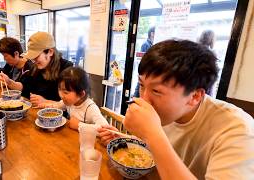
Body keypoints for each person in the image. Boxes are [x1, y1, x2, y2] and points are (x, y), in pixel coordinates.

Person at [98, 40, 254, 179]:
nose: (144, 99)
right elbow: (147, 157)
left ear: (194, 96)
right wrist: (123, 144)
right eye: (141, 85)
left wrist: (153, 134)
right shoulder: (164, 112)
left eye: (157, 91)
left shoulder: (238, 131)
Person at [0, 32, 73, 105]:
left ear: (50, 52)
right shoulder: (36, 67)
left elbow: (71, 103)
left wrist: (46, 102)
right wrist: (9, 82)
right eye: (32, 57)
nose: (34, 60)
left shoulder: (67, 69)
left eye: (37, 56)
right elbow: (24, 87)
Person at [41, 67, 108, 130]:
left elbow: (104, 128)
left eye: (65, 92)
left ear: (81, 94)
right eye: (59, 89)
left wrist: (79, 125)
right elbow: (59, 105)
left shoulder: (90, 108)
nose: (61, 95)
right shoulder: (70, 102)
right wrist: (48, 105)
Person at [134, 26, 156, 97]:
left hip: (148, 73)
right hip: (145, 72)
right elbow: (144, 60)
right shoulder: (146, 44)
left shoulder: (152, 44)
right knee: (140, 87)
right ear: (152, 33)